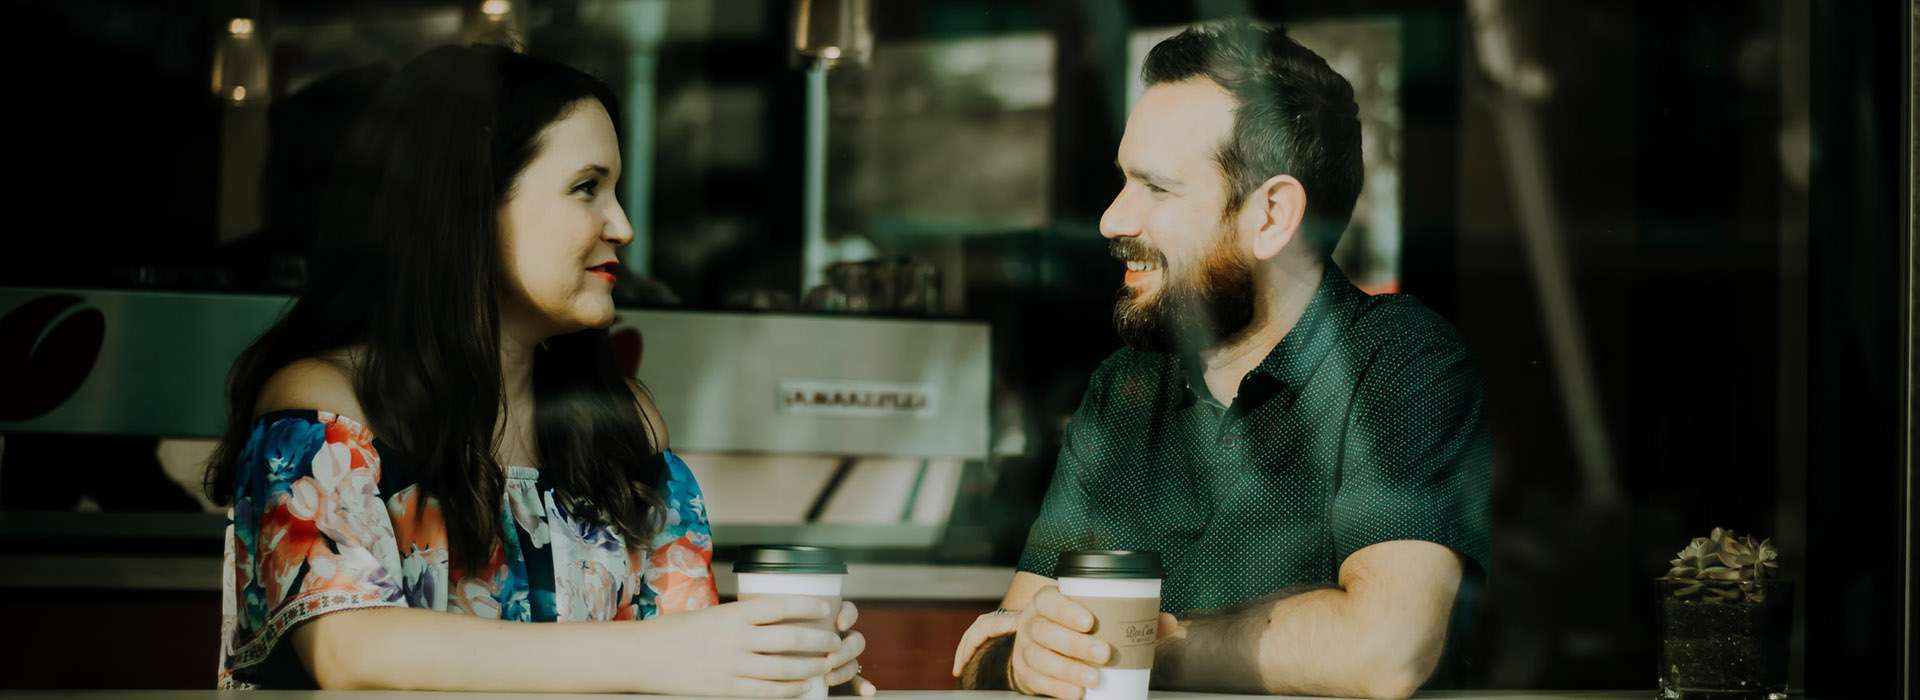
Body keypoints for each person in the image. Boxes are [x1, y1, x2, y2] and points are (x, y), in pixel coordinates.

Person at [204, 44, 872, 696]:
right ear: (467, 208)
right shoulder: (326, 409)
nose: (623, 225)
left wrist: (775, 664)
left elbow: (688, 658)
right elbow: (349, 650)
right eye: (587, 188)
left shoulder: (620, 428)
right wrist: (660, 655)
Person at [953, 21, 1491, 700]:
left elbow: (1384, 653)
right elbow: (1003, 638)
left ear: (1270, 217)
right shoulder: (1125, 389)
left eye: (1157, 188)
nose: (1112, 220)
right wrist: (1021, 659)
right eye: (1124, 181)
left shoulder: (1400, 363)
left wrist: (1139, 649)